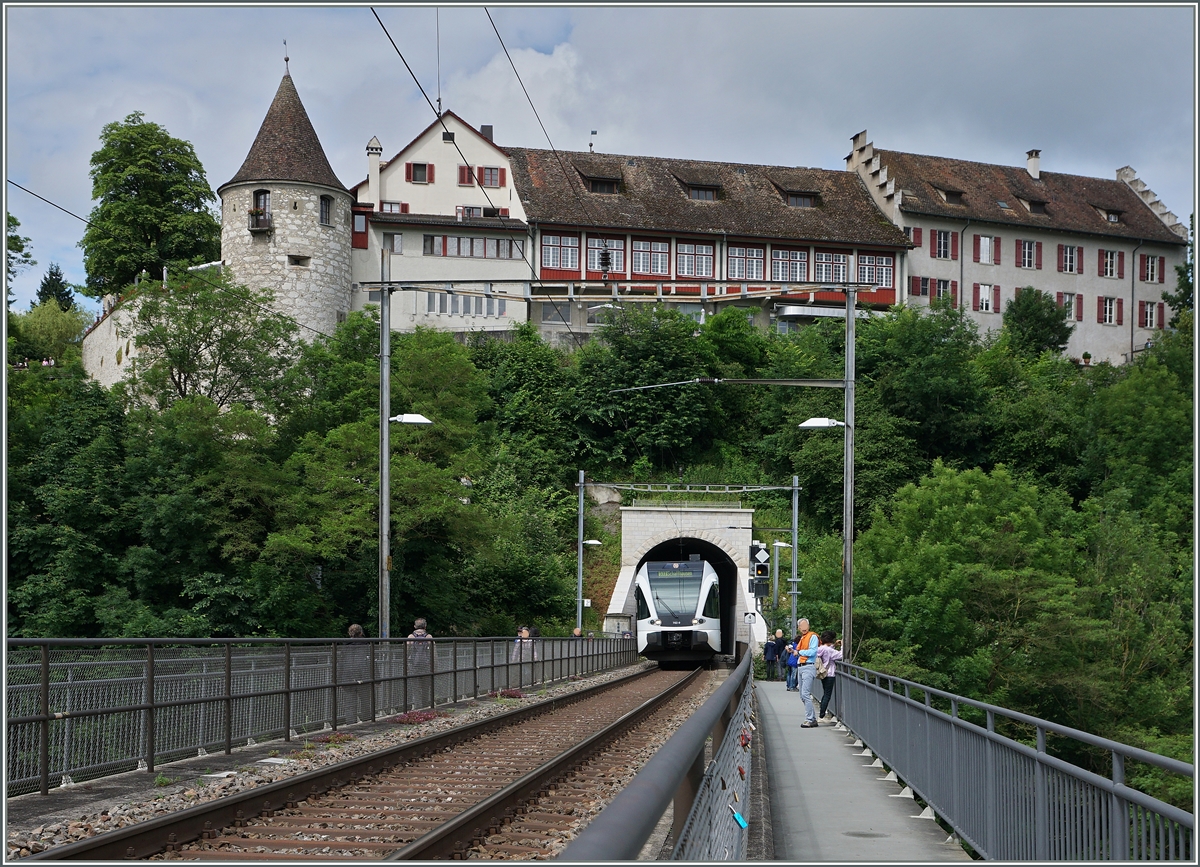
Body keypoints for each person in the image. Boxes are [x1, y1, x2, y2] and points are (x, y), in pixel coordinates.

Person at [340, 623, 371, 723]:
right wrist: (377, 678)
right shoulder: (367, 645)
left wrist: (337, 679)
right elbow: (371, 662)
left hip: (347, 677)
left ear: (350, 633)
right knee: (365, 702)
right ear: (361, 632)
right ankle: (366, 721)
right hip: (364, 676)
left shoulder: (345, 646)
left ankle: (350, 723)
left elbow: (340, 663)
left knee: (349, 703)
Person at [794, 618, 820, 727]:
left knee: (805, 693)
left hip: (808, 666)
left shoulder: (812, 636)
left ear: (808, 626)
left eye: (805, 625)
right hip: (801, 666)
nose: (803, 628)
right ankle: (812, 718)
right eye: (801, 626)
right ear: (799, 628)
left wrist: (799, 652)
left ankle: (809, 719)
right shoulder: (803, 638)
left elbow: (813, 651)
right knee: (802, 695)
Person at [406, 618, 435, 710]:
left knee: (416, 688)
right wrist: (435, 665)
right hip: (426, 666)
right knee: (426, 688)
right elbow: (434, 653)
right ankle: (426, 706)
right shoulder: (429, 637)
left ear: (415, 626)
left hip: (414, 666)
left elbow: (406, 652)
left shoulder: (411, 637)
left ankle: (418, 707)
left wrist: (406, 665)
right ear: (425, 626)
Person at [816, 630, 844, 722]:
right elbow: (840, 655)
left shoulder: (820, 648)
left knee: (825, 693)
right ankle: (821, 715)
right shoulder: (829, 650)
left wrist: (834, 645)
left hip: (822, 672)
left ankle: (822, 713)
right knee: (827, 695)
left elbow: (827, 651)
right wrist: (842, 646)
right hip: (830, 673)